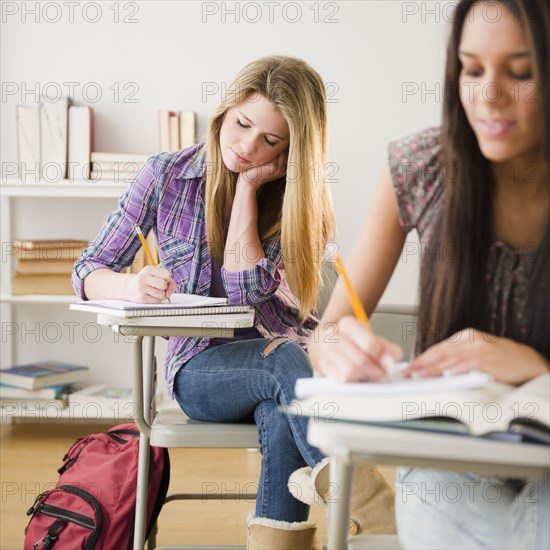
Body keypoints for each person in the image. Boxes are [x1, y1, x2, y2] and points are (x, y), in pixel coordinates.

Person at [72, 56, 394, 549]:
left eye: (270, 140)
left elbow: (244, 292)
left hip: (286, 375)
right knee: (285, 364)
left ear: (291, 149)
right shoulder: (165, 176)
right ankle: (371, 505)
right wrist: (128, 288)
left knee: (282, 403)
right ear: (225, 110)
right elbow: (87, 270)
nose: (246, 148)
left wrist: (246, 191)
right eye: (243, 124)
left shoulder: (300, 202)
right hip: (202, 372)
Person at [308, 1, 549, 548]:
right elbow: (329, 328)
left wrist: (534, 367)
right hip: (449, 459)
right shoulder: (418, 169)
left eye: (521, 71)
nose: (489, 96)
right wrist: (338, 348)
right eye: (472, 69)